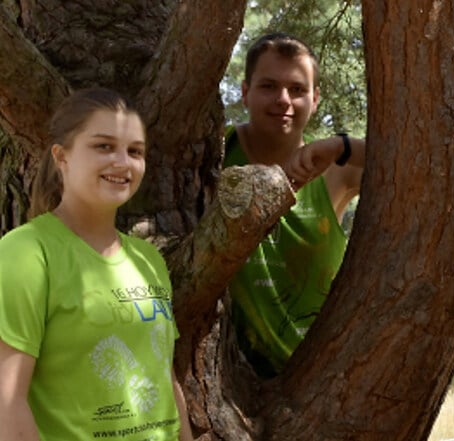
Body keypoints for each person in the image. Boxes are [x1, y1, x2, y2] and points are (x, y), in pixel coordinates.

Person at [0, 87, 193, 441]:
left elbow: (165, 376)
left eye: (135, 151)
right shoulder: (26, 253)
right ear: (62, 157)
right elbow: (6, 403)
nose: (122, 162)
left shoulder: (148, 260)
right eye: (103, 146)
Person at [224, 32, 365, 377]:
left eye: (298, 90)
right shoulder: (215, 152)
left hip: (318, 377)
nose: (283, 100)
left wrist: (340, 146)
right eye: (268, 86)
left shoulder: (335, 170)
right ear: (245, 93)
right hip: (230, 378)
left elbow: (422, 165)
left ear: (315, 99)